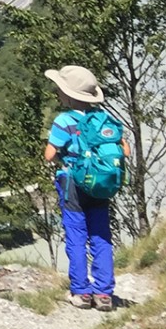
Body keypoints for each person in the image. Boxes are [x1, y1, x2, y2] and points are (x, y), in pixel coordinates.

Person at [43, 65, 129, 311]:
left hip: (73, 185)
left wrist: (65, 159)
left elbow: (49, 155)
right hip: (100, 186)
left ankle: (81, 292)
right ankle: (104, 295)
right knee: (101, 237)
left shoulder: (64, 120)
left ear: (68, 95)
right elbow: (125, 151)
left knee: (76, 238)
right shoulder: (104, 120)